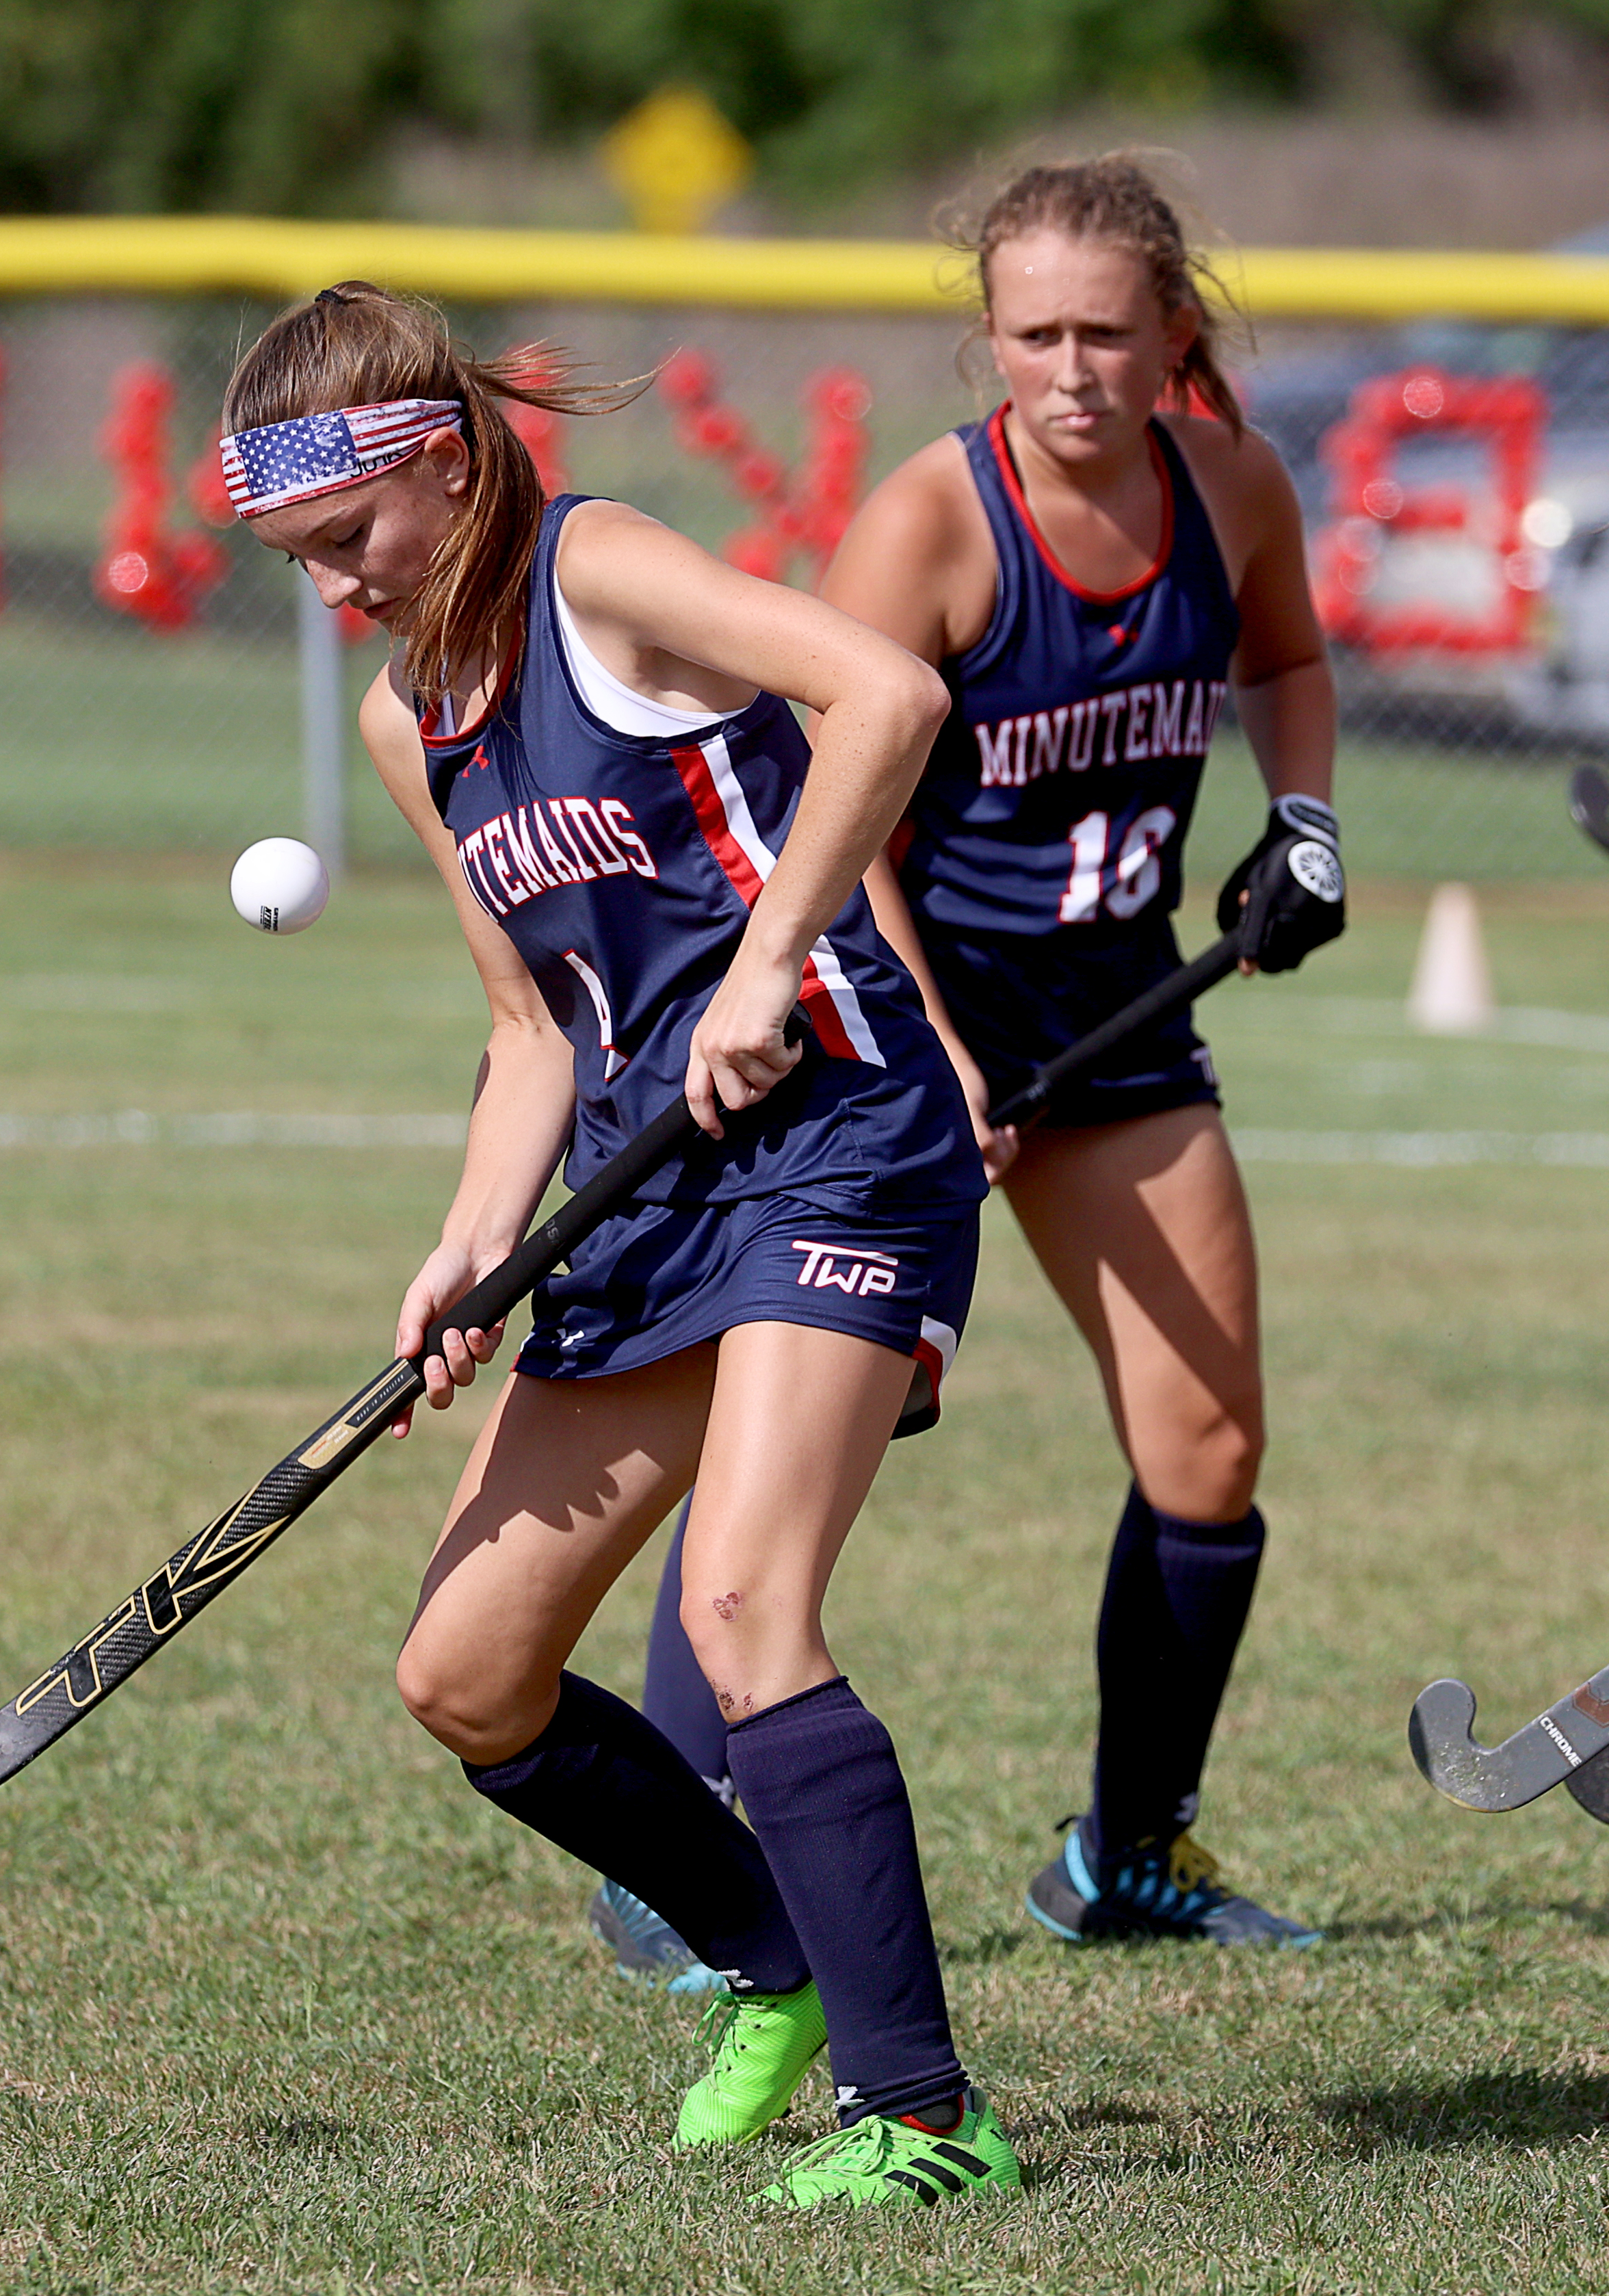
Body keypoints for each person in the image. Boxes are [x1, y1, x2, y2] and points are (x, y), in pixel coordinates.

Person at [223, 282, 1020, 2208]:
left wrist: (767, 964)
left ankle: (926, 2118)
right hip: (641, 1180)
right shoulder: (406, 710)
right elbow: (530, 1025)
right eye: (297, 561)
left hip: (831, 1128)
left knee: (747, 1616)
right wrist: (466, 1247)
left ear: (436, 462)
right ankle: (773, 1955)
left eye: (345, 541)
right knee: (469, 1676)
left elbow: (885, 699)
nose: (334, 587)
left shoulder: (601, 568)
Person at [627, 155, 1339, 1951]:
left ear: (1174, 328)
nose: (1072, 370)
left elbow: (1288, 658)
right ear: (989, 343)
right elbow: (836, 805)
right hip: (895, 1024)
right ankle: (673, 1853)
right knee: (817, 1446)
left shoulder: (1232, 482)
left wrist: (1304, 816)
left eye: (1107, 332)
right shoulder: (933, 520)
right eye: (1033, 335)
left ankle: (1125, 1854)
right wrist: (930, 1044)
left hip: (1114, 1025)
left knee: (1208, 1446)